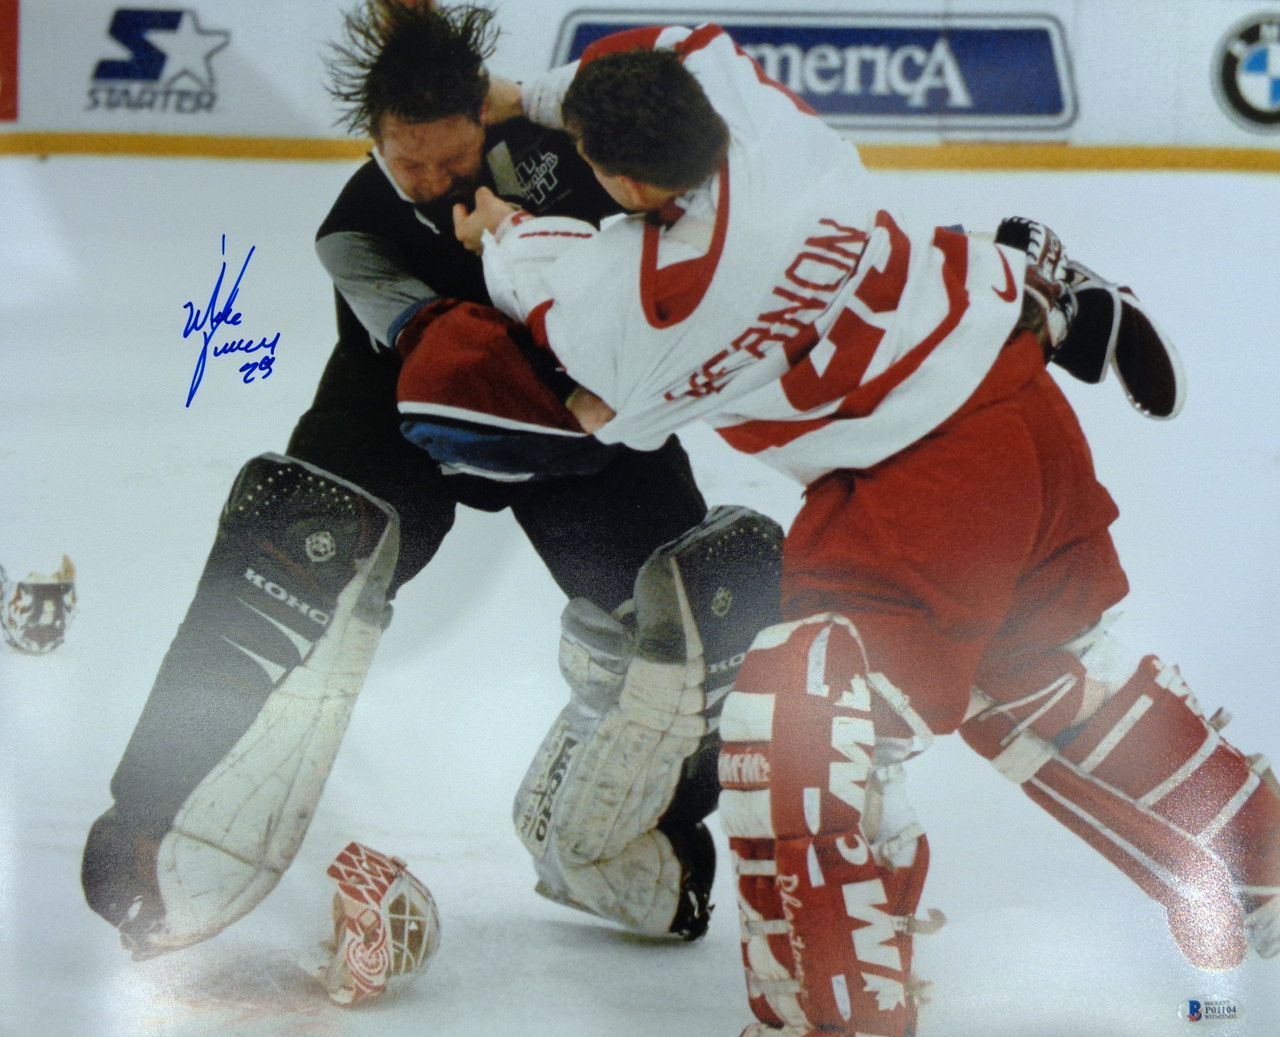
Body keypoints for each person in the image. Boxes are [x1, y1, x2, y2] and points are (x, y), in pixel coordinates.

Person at [453, 24, 1279, 1037]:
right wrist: (516, 92)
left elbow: (601, 404)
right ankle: (1254, 858)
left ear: (623, 184)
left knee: (800, 711)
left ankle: (829, 1016)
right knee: (1035, 676)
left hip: (921, 481)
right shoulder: (748, 110)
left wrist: (496, 229)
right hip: (1006, 387)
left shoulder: (644, 305)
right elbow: (667, 48)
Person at [79, 1, 767, 963]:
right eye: (413, 167)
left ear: (484, 120)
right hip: (410, 404)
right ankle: (149, 812)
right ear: (374, 143)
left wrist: (614, 376)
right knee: (289, 539)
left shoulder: (574, 158)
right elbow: (448, 363)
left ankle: (667, 842)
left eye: (457, 161)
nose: (440, 186)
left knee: (695, 600)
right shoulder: (354, 232)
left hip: (579, 411)